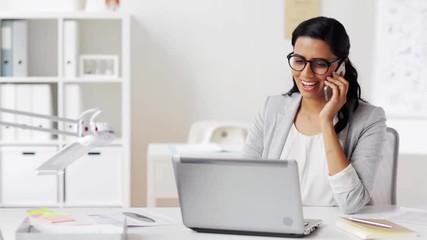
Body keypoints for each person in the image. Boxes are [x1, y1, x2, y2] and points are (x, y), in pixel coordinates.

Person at [241, 16, 386, 214]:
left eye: (319, 64)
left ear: (341, 65)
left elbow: (352, 203)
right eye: (299, 61)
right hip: (276, 224)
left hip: (337, 230)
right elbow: (244, 182)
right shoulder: (272, 108)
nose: (306, 74)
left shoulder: (370, 119)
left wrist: (326, 122)